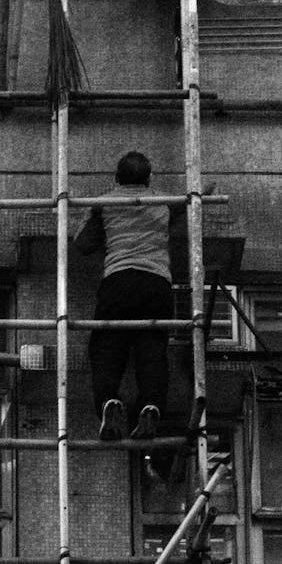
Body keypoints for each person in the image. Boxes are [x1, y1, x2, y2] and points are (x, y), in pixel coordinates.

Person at [74, 151, 187, 440]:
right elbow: (187, 203)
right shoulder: (162, 201)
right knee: (152, 349)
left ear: (116, 178)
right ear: (149, 179)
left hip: (119, 281)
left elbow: (84, 244)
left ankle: (108, 402)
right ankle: (151, 405)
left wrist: (94, 214)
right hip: (156, 284)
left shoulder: (104, 203)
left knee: (106, 348)